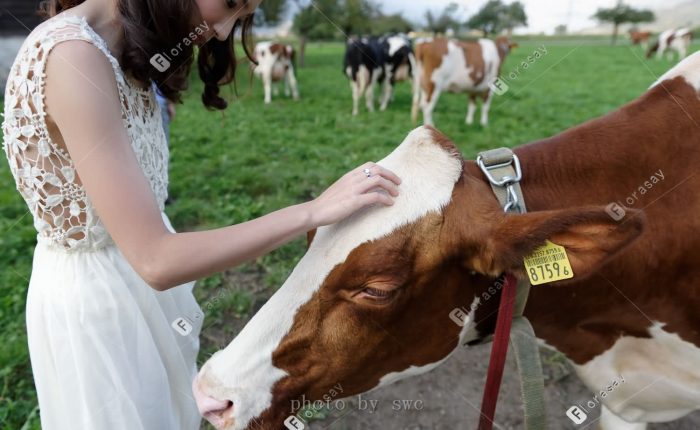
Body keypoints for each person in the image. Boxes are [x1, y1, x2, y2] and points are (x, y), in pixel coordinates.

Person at [0, 0, 402, 429]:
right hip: (102, 309)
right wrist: (314, 212)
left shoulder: (119, 47)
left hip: (139, 294)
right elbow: (156, 259)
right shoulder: (72, 58)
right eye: (230, 5)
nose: (226, 32)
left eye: (243, 16)